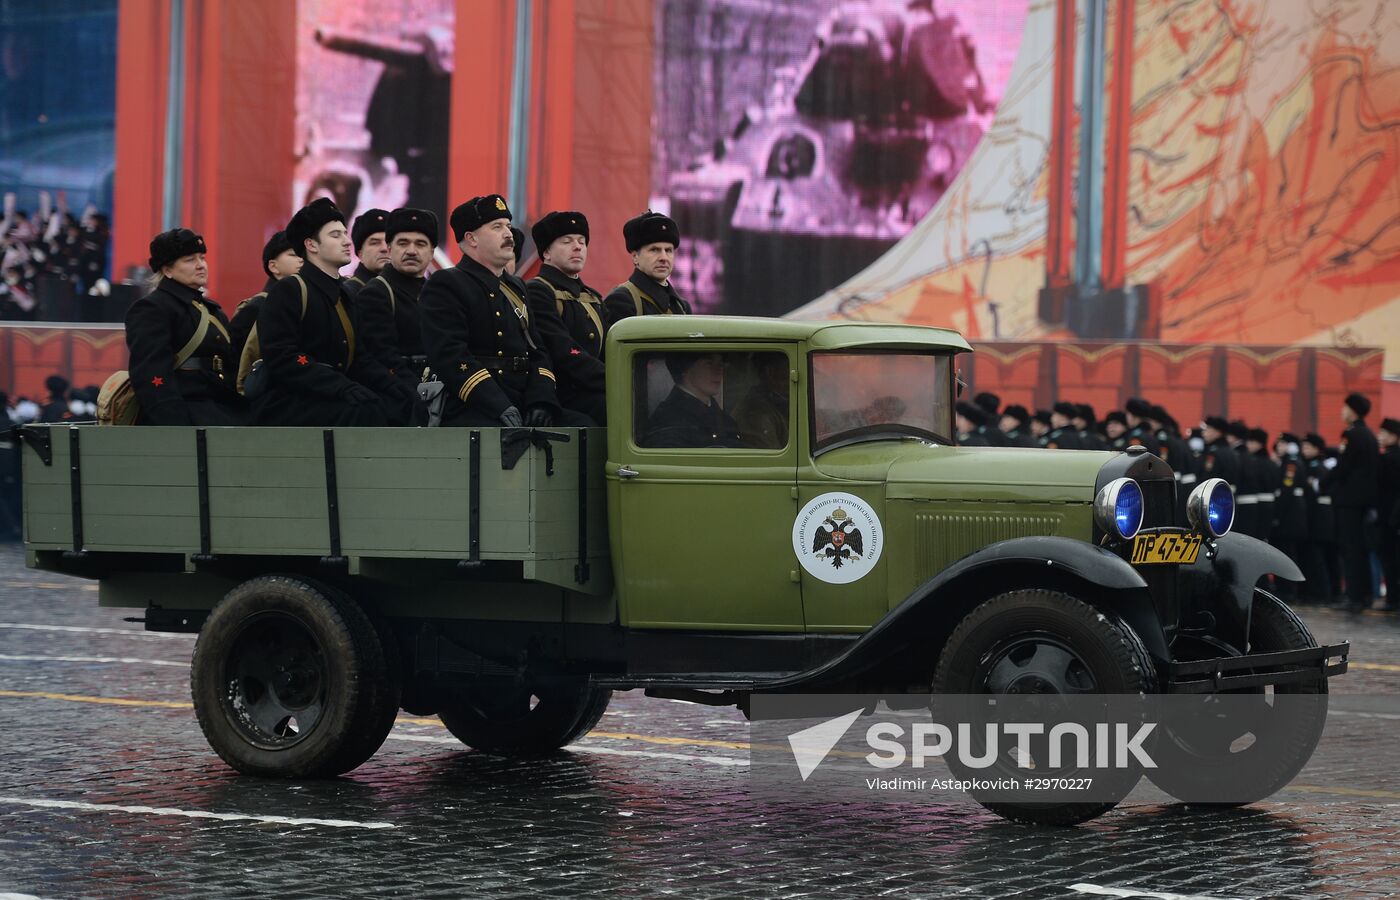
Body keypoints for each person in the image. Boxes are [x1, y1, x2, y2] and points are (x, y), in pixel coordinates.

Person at [251, 198, 414, 426]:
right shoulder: (290, 290)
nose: (347, 241)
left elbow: (359, 359)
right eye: (335, 235)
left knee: (399, 405)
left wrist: (395, 385)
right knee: (366, 413)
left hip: (332, 395)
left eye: (345, 234)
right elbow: (282, 357)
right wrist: (341, 386)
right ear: (311, 245)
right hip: (289, 401)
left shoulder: (344, 294)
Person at [420, 194, 577, 428]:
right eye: (497, 227)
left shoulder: (516, 287)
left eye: (509, 226)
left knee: (584, 425)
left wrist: (541, 401)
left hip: (521, 398)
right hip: (472, 403)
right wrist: (498, 405)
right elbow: (451, 355)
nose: (508, 234)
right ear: (471, 238)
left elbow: (538, 351)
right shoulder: (446, 284)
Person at [124, 228, 247, 426]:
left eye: (202, 258)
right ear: (167, 270)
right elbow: (151, 374)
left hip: (223, 411)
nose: (201, 266)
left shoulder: (212, 311)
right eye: (190, 260)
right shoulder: (152, 308)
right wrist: (176, 427)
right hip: (187, 417)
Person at [525, 211, 608, 425]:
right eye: (567, 241)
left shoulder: (593, 297)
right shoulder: (538, 290)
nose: (578, 247)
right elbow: (562, 351)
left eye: (582, 241)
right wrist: (614, 379)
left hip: (594, 388)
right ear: (547, 252)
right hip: (560, 394)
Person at [356, 207, 437, 402]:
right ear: (390, 249)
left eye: (420, 243)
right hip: (400, 400)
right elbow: (381, 358)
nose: (411, 250)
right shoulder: (376, 293)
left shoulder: (437, 294)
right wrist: (421, 394)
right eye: (403, 243)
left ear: (432, 252)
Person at [1330, 393, 1380, 611]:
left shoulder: (1351, 435)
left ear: (1353, 410)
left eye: (1345, 408)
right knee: (1360, 547)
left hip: (1349, 501)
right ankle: (1366, 594)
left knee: (1351, 549)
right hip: (1364, 500)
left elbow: (1344, 466)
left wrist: (1325, 481)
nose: (1342, 412)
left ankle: (1354, 596)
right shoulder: (1369, 434)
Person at [604, 211, 691, 325]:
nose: (663, 257)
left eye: (668, 250)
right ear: (635, 257)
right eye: (654, 250)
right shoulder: (621, 301)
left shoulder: (682, 307)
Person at [230, 230, 301, 365]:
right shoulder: (256, 307)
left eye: (304, 254)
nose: (302, 259)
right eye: (294, 254)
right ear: (273, 266)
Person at [643, 353, 741, 447]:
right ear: (685, 368)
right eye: (709, 364)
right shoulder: (669, 422)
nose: (719, 370)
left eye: (720, 364)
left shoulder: (720, 417)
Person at [733, 354, 790, 449]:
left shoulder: (777, 401)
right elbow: (773, 458)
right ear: (769, 372)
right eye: (787, 366)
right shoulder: (755, 413)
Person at [1377, 417, 1400, 611]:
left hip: (1389, 517)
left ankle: (1393, 598)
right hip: (1392, 515)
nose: (1380, 437)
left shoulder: (1388, 458)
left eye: (1383, 433)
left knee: (1390, 560)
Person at [343, 208, 389, 297]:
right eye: (375, 243)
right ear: (360, 254)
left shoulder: (412, 290)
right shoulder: (348, 293)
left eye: (389, 242)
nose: (384, 248)